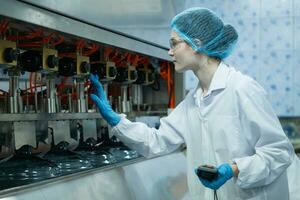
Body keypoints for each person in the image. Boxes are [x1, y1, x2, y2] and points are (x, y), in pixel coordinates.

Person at [90, 7, 297, 200]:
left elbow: (279, 152)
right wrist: (116, 120)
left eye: (174, 43)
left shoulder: (242, 89)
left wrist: (234, 169)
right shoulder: (194, 100)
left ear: (196, 44)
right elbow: (158, 141)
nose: (170, 52)